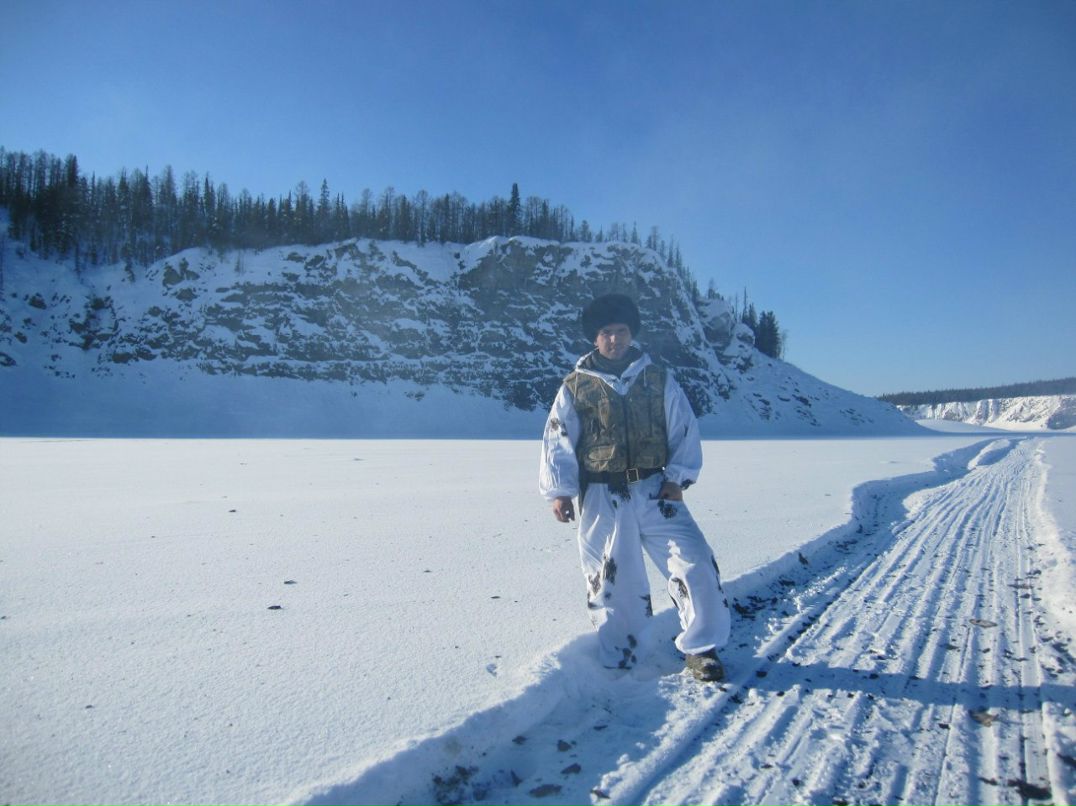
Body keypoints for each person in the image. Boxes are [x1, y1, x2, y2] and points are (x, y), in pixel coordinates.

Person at [539, 293, 730, 682]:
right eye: (607, 333)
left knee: (693, 563)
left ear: (632, 334)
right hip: (601, 496)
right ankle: (621, 651)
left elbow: (683, 427)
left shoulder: (657, 379)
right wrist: (560, 491)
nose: (615, 339)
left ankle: (701, 649)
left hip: (656, 489)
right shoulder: (575, 387)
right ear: (595, 338)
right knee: (613, 580)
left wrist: (678, 477)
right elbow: (558, 438)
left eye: (621, 331)